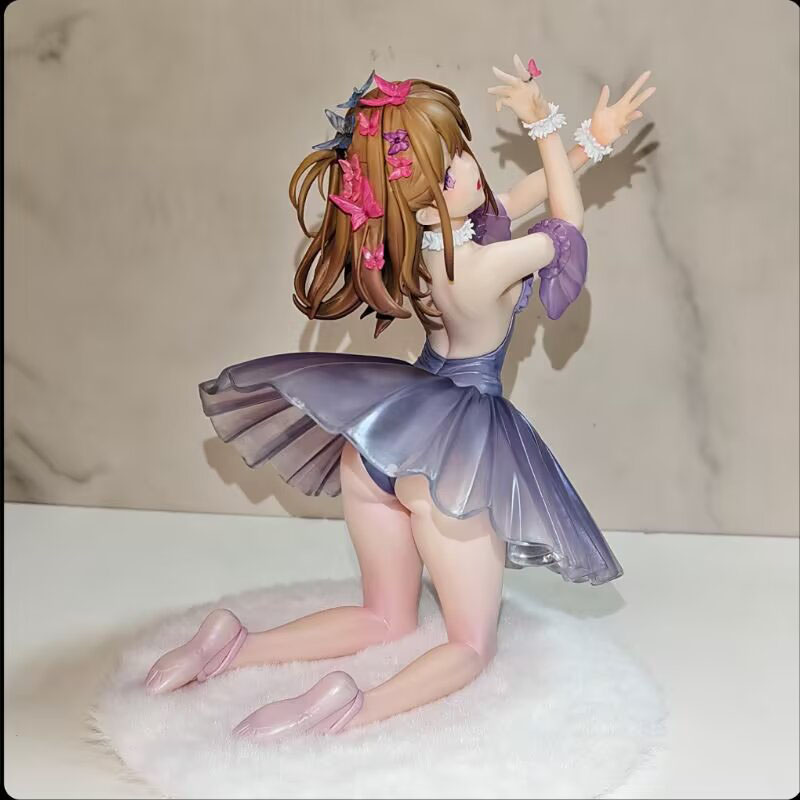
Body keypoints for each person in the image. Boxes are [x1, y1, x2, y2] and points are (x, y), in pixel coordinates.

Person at [145, 56, 656, 741]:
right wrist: (543, 124)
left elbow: (518, 196)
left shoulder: (414, 248)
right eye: (451, 168)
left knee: (385, 616)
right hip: (450, 460)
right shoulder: (485, 265)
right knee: (470, 645)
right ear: (423, 196)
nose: (471, 167)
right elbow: (565, 224)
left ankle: (234, 645)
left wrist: (593, 140)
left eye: (462, 149)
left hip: (381, 438)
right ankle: (354, 705)